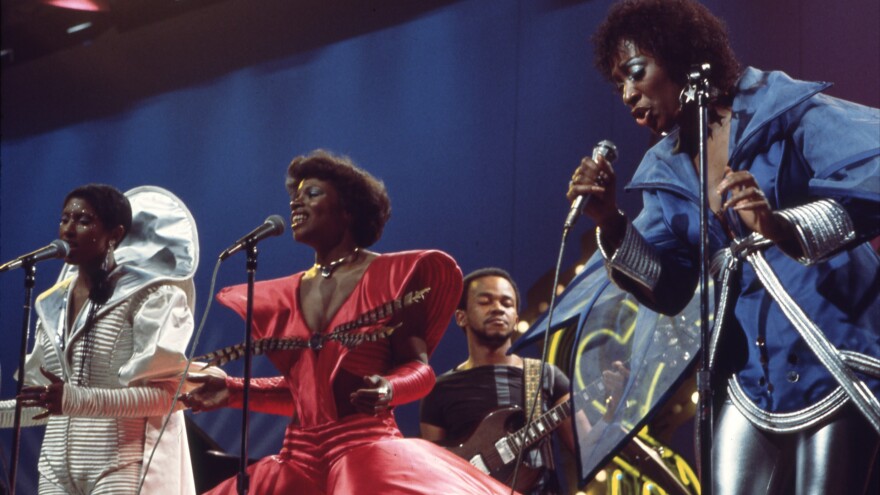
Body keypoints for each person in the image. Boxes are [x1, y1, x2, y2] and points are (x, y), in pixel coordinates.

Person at [566, 1, 880, 494]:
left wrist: (778, 226)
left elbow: (871, 179)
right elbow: (669, 287)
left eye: (635, 72)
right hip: (746, 375)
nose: (627, 94)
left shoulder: (782, 110)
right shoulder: (664, 172)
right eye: (619, 84)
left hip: (831, 350)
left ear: (679, 54)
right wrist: (609, 219)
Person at [183, 150, 516, 494]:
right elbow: (307, 393)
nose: (296, 204)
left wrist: (389, 388)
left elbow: (420, 369)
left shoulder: (394, 276)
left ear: (348, 209)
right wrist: (233, 391)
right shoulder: (285, 294)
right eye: (294, 197)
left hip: (364, 450)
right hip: (296, 458)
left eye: (312, 193)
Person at [0, 184, 199, 494]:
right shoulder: (54, 303)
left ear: (115, 235)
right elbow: (44, 404)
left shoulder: (152, 297)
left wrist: (77, 399)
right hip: (54, 468)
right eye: (65, 218)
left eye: (83, 220)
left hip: (119, 464)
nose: (68, 229)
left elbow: (169, 397)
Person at [420, 268, 575, 494]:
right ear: (461, 316)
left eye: (507, 303)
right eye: (485, 301)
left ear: (515, 319)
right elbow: (434, 473)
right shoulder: (438, 390)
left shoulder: (546, 376)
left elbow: (586, 447)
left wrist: (611, 406)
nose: (498, 309)